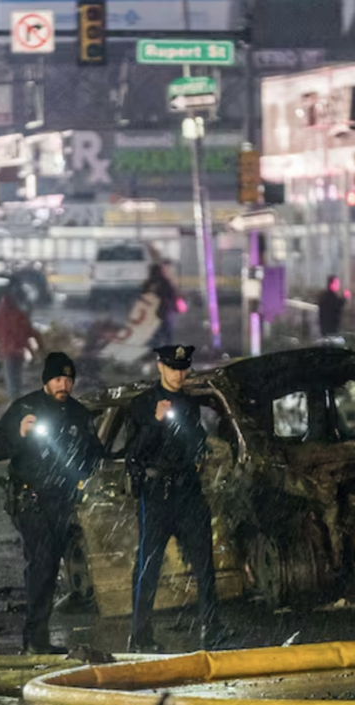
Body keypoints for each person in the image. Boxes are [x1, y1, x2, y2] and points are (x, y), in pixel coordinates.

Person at [0, 352, 101, 655]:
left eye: (68, 379)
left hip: (62, 502)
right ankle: (35, 639)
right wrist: (19, 433)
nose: (64, 385)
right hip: (29, 500)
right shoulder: (25, 407)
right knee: (45, 560)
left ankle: (36, 636)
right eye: (57, 379)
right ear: (46, 381)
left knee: (44, 567)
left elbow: (94, 454)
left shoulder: (78, 414)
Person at [126, 344, 226, 653]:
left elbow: (195, 442)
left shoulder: (190, 403)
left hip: (188, 491)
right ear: (160, 367)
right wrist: (155, 422)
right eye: (173, 368)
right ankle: (140, 636)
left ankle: (211, 630)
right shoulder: (143, 404)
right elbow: (132, 453)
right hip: (157, 495)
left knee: (204, 563)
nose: (179, 374)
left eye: (183, 368)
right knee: (149, 566)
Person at [0, 281, 42, 401]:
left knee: (11, 378)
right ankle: (17, 399)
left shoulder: (0, 316)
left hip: (7, 350)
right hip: (19, 350)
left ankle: (14, 401)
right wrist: (39, 348)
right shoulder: (20, 315)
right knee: (17, 376)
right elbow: (30, 332)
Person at [144, 262, 181, 347]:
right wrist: (175, 307)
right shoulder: (165, 282)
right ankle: (167, 348)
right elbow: (172, 295)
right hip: (165, 311)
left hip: (152, 313)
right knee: (167, 332)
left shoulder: (149, 283)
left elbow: (143, 296)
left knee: (154, 333)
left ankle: (153, 349)